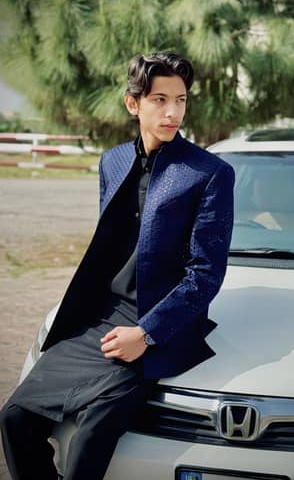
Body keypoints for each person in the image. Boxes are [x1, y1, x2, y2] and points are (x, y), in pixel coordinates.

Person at [0, 51, 235, 480]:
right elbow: (110, 247)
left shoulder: (209, 172)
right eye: (160, 100)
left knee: (88, 441)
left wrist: (146, 333)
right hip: (100, 318)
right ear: (133, 103)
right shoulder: (113, 161)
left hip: (158, 323)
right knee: (15, 418)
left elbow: (206, 274)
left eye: (181, 100)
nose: (173, 112)